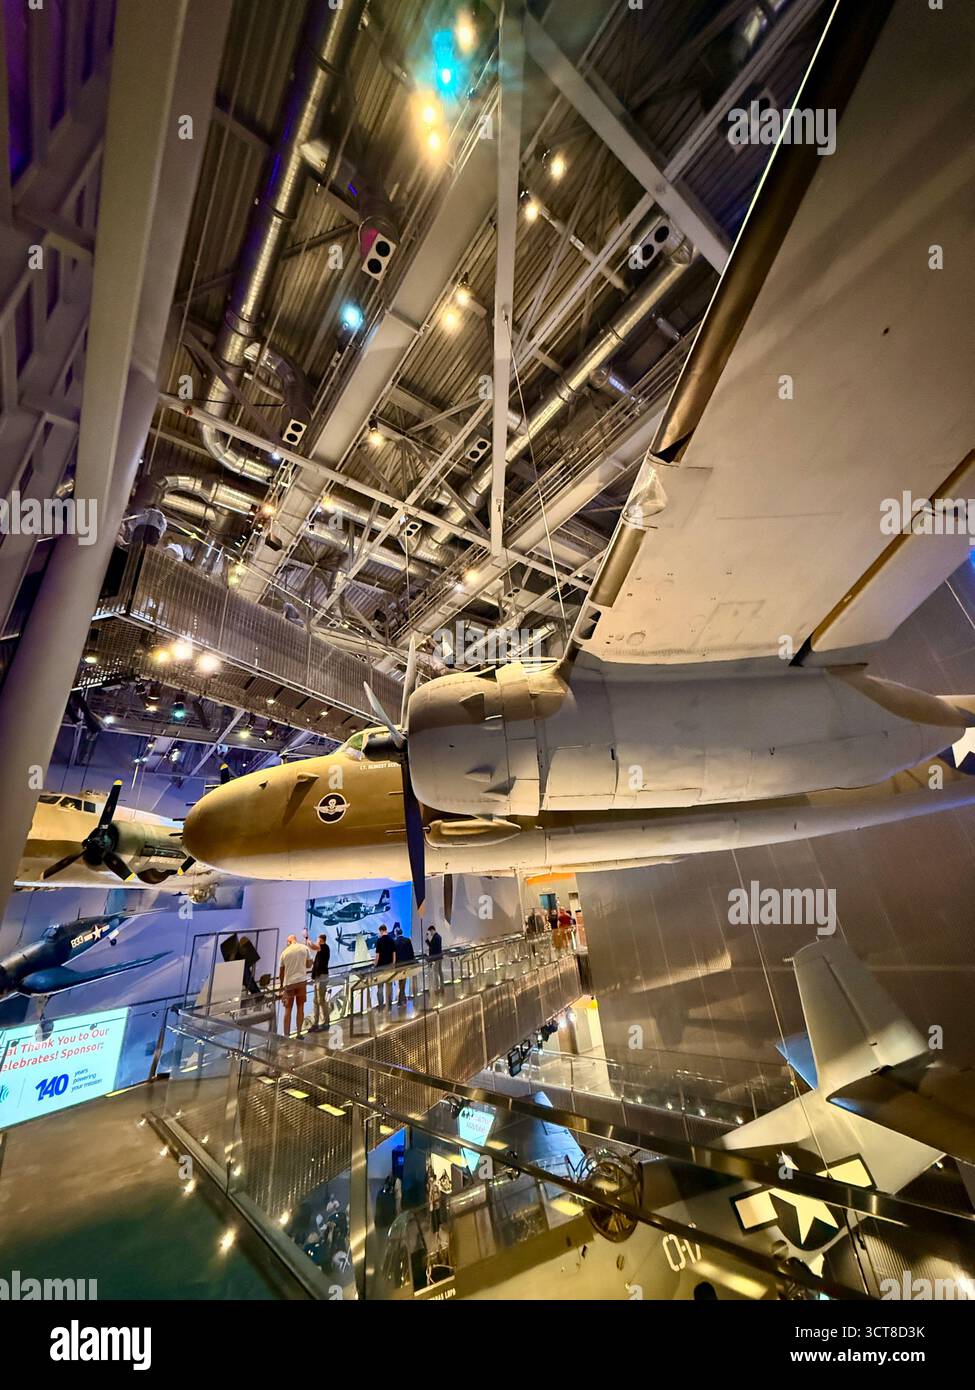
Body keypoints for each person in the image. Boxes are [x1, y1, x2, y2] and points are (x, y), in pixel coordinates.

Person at [278, 933, 314, 1037]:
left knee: (288, 1010)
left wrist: (281, 985)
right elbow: (310, 964)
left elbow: (281, 972)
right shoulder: (304, 948)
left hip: (289, 984)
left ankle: (286, 1035)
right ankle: (298, 1033)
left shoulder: (284, 953)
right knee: (300, 1008)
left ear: (289, 942)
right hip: (302, 982)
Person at [309, 932, 331, 1029]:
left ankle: (326, 1021)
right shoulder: (321, 950)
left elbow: (313, 946)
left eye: (318, 939)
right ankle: (316, 1021)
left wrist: (307, 938)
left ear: (321, 940)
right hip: (318, 977)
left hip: (322, 977)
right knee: (316, 1000)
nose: (317, 941)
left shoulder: (324, 947)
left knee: (321, 1000)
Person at [392, 923, 415, 1005]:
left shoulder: (394, 942)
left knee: (400, 981)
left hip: (398, 965)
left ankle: (401, 1000)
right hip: (406, 964)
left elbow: (393, 955)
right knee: (403, 981)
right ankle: (402, 998)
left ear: (396, 933)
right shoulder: (407, 940)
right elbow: (411, 953)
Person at [374, 923, 396, 1008]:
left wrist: (375, 964)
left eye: (379, 932)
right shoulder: (391, 940)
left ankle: (380, 1005)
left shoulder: (379, 941)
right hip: (390, 966)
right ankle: (389, 1005)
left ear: (381, 931)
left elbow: (377, 955)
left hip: (380, 967)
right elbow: (394, 953)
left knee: (380, 988)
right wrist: (393, 964)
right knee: (389, 986)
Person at [425, 923, 444, 994]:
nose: (430, 934)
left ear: (432, 930)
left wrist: (427, 940)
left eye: (430, 932)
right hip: (439, 956)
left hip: (436, 958)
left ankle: (437, 988)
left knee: (436, 973)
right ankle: (442, 986)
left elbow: (432, 947)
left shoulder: (435, 937)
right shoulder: (438, 936)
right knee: (440, 972)